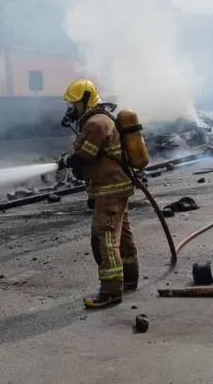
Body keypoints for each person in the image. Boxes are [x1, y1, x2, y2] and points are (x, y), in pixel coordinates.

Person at [57, 78, 138, 309]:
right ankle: (129, 279)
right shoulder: (100, 120)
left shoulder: (96, 124)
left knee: (105, 237)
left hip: (109, 188)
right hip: (113, 187)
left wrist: (67, 160)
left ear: (85, 99)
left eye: (73, 104)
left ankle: (111, 291)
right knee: (122, 237)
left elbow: (85, 156)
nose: (71, 109)